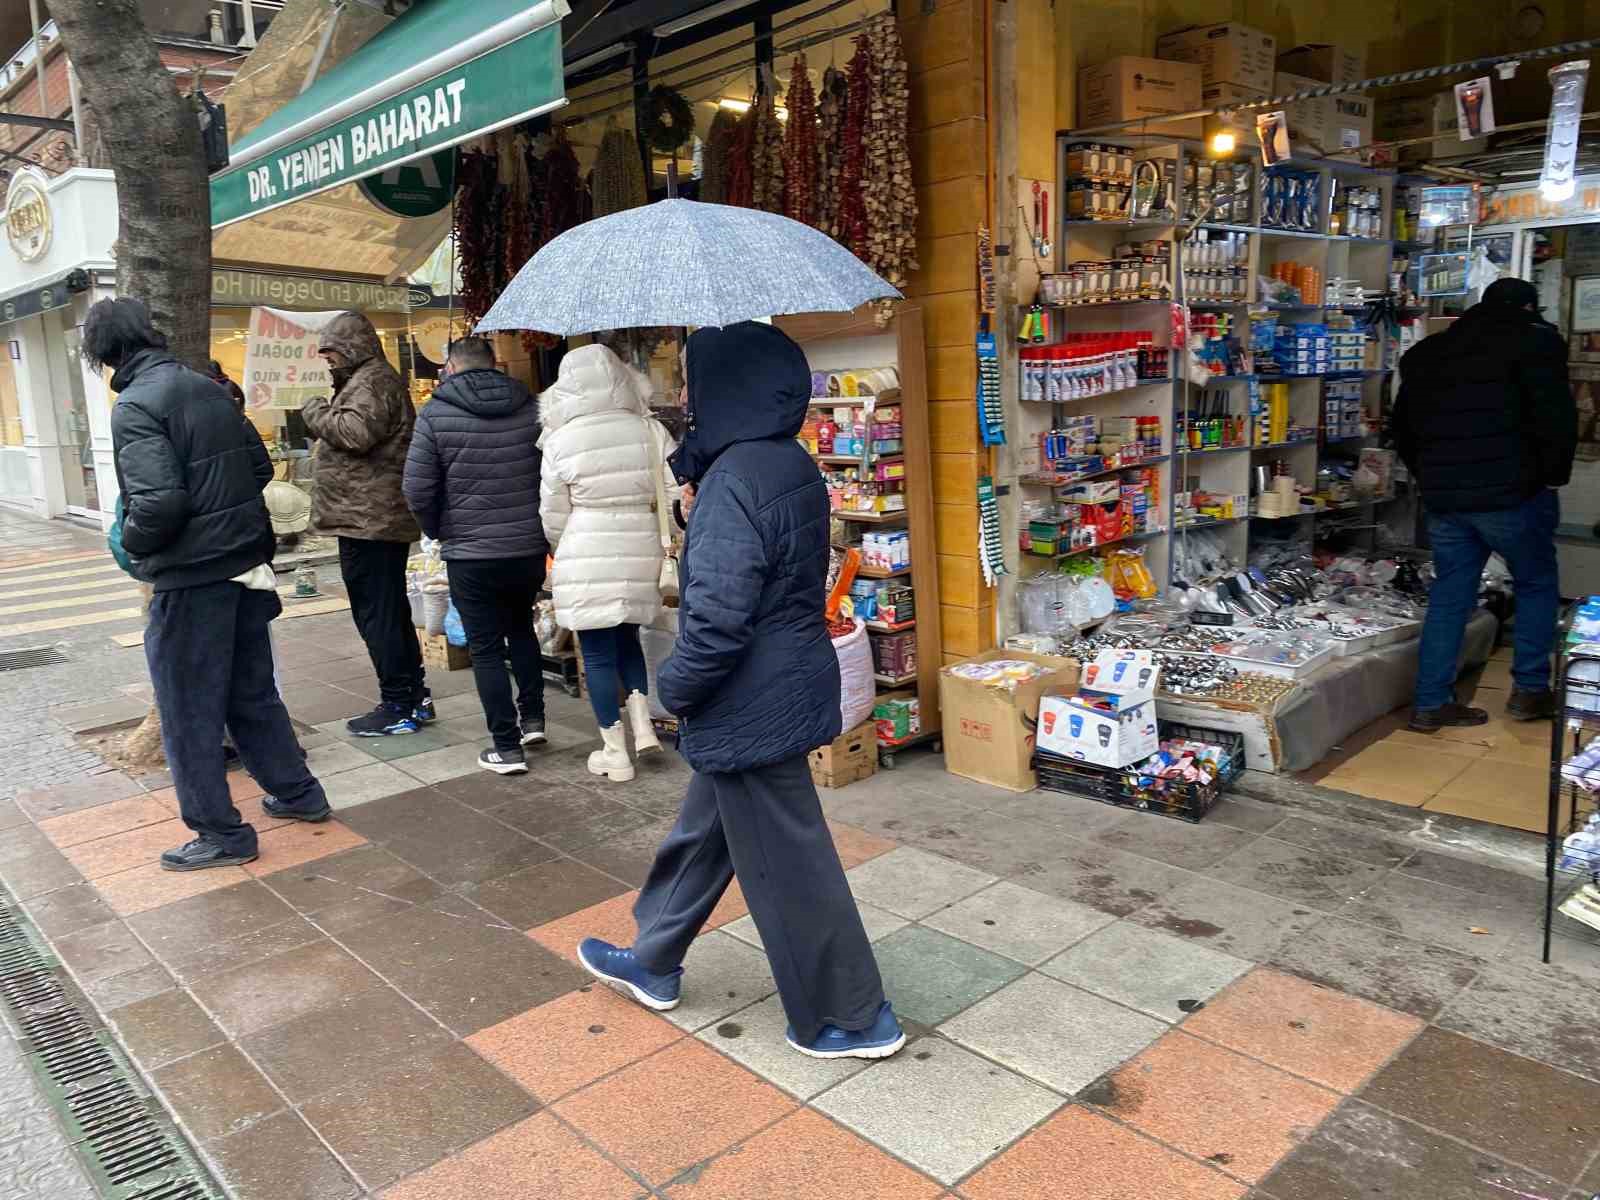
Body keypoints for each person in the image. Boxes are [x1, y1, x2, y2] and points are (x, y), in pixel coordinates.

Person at [578, 321, 904, 1061]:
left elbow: (719, 621)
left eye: (694, 382)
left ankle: (852, 1018)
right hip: (782, 682)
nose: (686, 396)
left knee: (790, 868)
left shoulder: (735, 479)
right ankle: (654, 959)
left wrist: (676, 688)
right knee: (706, 830)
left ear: (729, 388)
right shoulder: (784, 460)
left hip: (747, 698)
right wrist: (700, 511)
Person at [92, 298, 330, 871]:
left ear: (105, 354)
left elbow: (159, 503)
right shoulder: (207, 388)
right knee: (252, 694)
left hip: (192, 578)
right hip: (244, 566)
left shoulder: (135, 406)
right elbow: (259, 468)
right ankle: (299, 794)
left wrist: (134, 541)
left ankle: (221, 832)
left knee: (188, 710)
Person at [1395, 277, 1578, 732]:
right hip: (1514, 495)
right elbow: (1556, 417)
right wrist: (1553, 476)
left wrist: (1429, 477)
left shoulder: (1429, 352)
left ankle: (1431, 703)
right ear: (1530, 308)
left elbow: (1404, 427)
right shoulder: (1536, 344)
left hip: (1445, 498)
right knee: (1535, 584)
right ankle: (1529, 691)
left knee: (1450, 595)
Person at [403, 337, 549, 774]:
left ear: (450, 367)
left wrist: (437, 529)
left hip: (470, 552)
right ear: (495, 364)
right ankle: (534, 720)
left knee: (485, 648)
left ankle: (506, 747)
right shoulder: (531, 407)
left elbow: (416, 489)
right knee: (521, 629)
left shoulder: (435, 414)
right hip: (527, 545)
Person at [538, 342, 675, 781]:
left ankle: (615, 753)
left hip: (584, 546)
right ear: (620, 378)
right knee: (630, 637)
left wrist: (563, 545)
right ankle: (643, 726)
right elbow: (674, 494)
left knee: (596, 654)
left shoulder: (560, 439)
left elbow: (552, 513)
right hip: (642, 547)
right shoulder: (649, 429)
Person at [301, 311, 433, 736]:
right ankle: (412, 695)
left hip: (369, 522)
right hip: (367, 519)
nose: (328, 362)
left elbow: (355, 433)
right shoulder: (367, 379)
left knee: (378, 614)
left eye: (332, 354)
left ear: (351, 349)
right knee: (387, 611)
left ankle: (398, 703)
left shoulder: (372, 381)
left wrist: (315, 412)